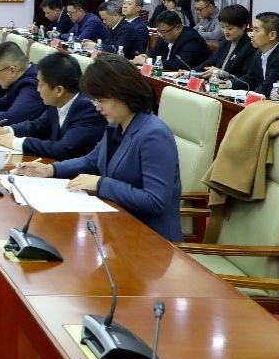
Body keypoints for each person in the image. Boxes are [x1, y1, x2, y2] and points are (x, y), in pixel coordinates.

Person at [12, 52, 182, 242]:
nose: (97, 107)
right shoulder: (117, 124)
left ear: (122, 94)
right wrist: (51, 170)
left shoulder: (154, 134)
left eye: (101, 101)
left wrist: (101, 184)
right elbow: (91, 161)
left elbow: (155, 201)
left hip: (150, 239)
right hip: (116, 228)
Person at [0, 52, 107, 160]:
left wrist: (15, 142)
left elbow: (63, 149)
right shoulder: (57, 102)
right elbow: (39, 125)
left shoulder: (88, 109)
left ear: (59, 90)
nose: (38, 89)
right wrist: (6, 130)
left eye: (40, 84)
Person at [194, 4, 256, 82]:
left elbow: (246, 79)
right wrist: (191, 73)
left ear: (243, 26)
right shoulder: (225, 42)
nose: (225, 32)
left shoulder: (250, 47)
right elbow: (210, 62)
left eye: (230, 28)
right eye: (222, 27)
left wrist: (222, 74)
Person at [136, 10, 211, 71]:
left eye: (163, 31)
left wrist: (148, 61)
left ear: (178, 27)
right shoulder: (165, 35)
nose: (161, 35)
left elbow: (179, 64)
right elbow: (153, 53)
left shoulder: (192, 40)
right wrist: (145, 56)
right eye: (159, 31)